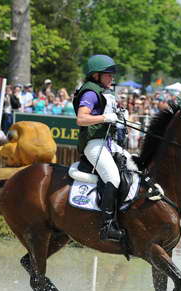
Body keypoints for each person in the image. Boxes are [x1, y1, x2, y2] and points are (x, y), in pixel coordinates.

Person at [74, 54, 126, 242]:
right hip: (93, 143)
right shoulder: (90, 92)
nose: (112, 77)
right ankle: (107, 226)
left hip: (108, 143)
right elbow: (81, 118)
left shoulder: (105, 91)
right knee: (112, 177)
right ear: (96, 75)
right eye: (108, 74)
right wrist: (105, 118)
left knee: (133, 167)